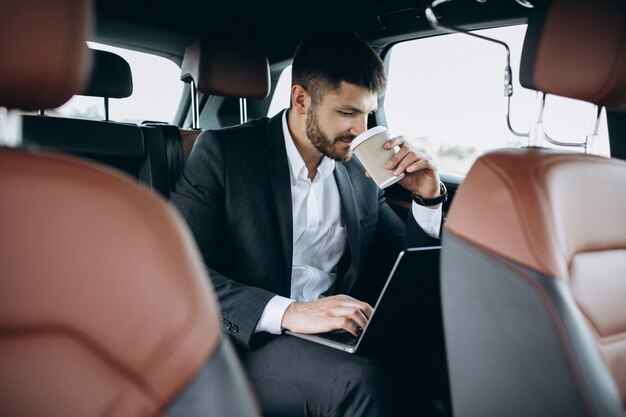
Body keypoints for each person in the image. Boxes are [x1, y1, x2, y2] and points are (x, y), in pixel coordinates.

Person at [171, 28, 445, 417]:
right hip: (250, 339)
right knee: (359, 383)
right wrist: (288, 312)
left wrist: (426, 199)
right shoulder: (225, 154)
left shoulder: (358, 173)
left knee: (443, 357)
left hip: (338, 334)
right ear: (301, 99)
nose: (360, 130)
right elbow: (178, 272)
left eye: (367, 113)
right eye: (347, 113)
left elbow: (402, 265)